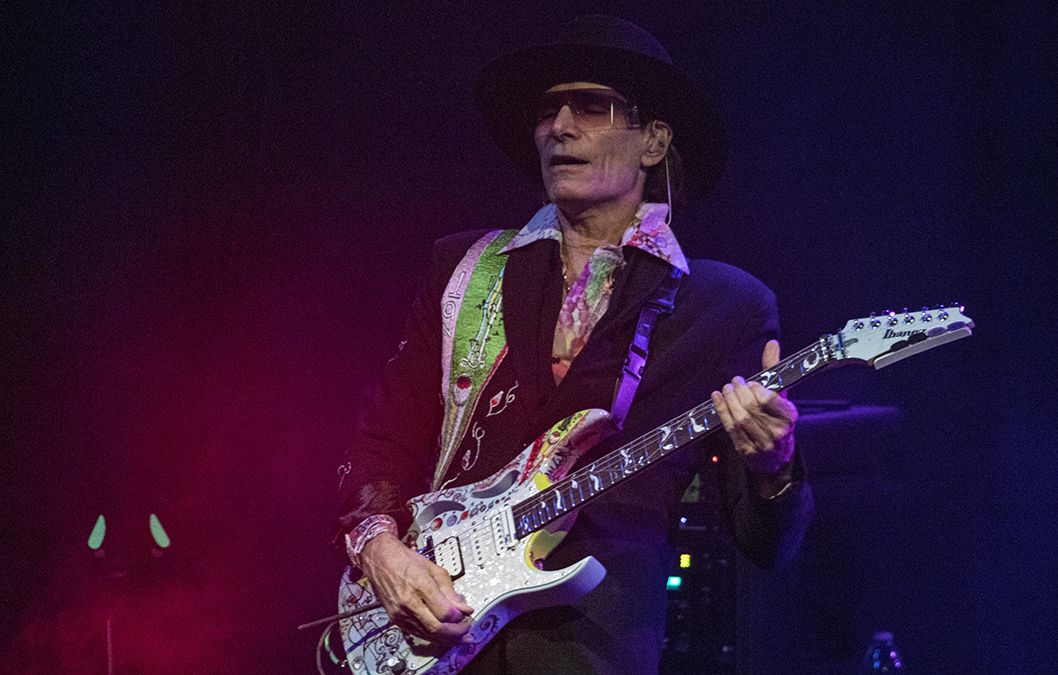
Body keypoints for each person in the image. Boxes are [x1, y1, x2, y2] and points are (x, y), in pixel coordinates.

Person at [335, 15, 815, 674]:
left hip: (591, 643)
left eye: (591, 107)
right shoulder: (465, 269)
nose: (560, 126)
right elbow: (386, 435)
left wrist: (774, 466)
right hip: (431, 624)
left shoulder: (724, 306)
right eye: (548, 111)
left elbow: (767, 543)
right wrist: (378, 546)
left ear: (653, 141)